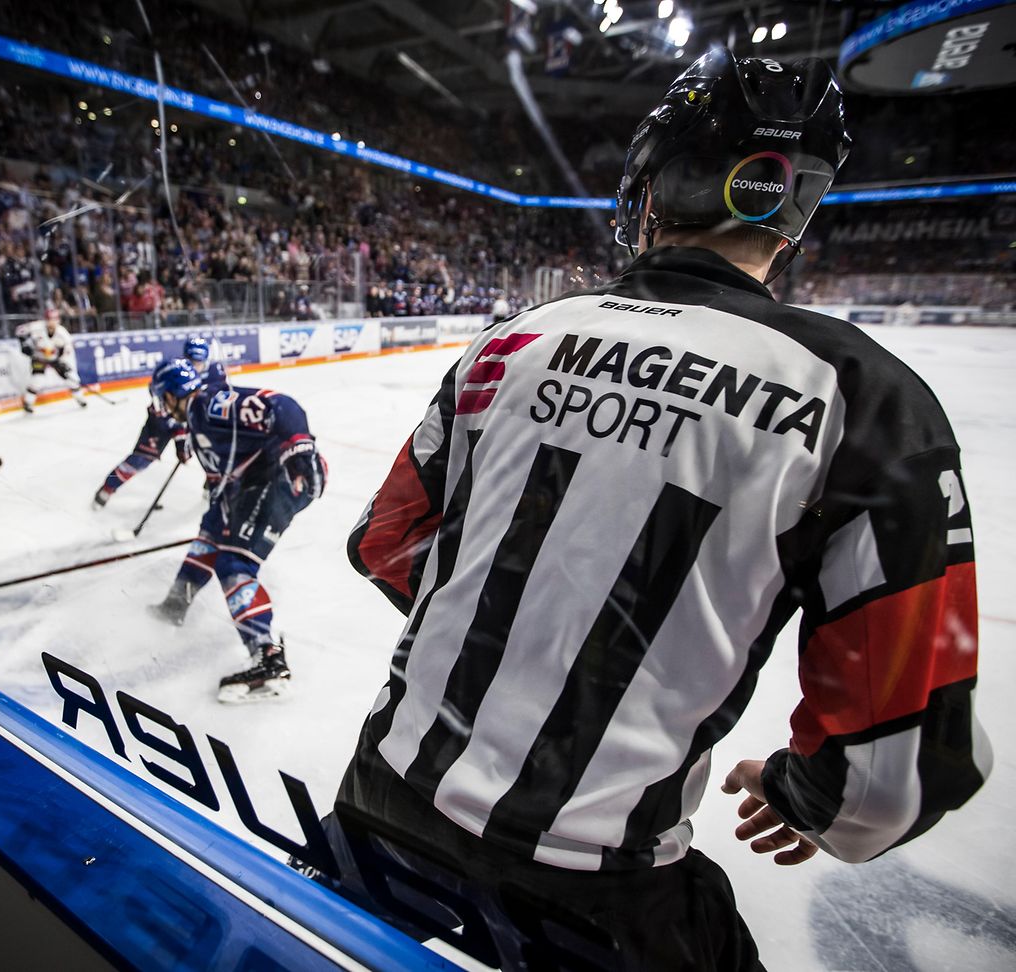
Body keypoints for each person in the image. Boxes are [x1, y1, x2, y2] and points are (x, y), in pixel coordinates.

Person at [314, 50, 990, 971]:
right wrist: (805, 795)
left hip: (376, 816)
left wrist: (515, 635)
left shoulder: (511, 342)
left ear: (646, 194)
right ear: (790, 223)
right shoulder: (865, 400)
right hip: (599, 896)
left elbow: (386, 542)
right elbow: (894, 774)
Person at [150, 359, 327, 703]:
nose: (162, 407)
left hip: (281, 478)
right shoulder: (198, 424)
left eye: (163, 398)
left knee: (234, 565)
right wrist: (214, 522)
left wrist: (299, 448)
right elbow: (224, 479)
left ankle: (268, 659)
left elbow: (280, 404)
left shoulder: (207, 405)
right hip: (254, 483)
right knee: (210, 535)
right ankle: (176, 603)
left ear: (172, 394)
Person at [91, 378, 190, 509]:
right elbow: (172, 421)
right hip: (155, 430)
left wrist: (182, 445)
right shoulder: (163, 397)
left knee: (142, 462)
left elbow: (182, 424)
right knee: (137, 461)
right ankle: (108, 487)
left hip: (167, 426)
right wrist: (181, 442)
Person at [16, 306, 87, 412]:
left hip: (55, 359)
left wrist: (62, 361)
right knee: (37, 380)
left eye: (54, 319)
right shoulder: (36, 326)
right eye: (49, 319)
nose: (51, 322)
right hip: (39, 358)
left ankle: (80, 398)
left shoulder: (63, 334)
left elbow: (68, 350)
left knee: (71, 377)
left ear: (58, 320)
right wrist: (24, 345)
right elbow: (19, 331)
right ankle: (28, 402)